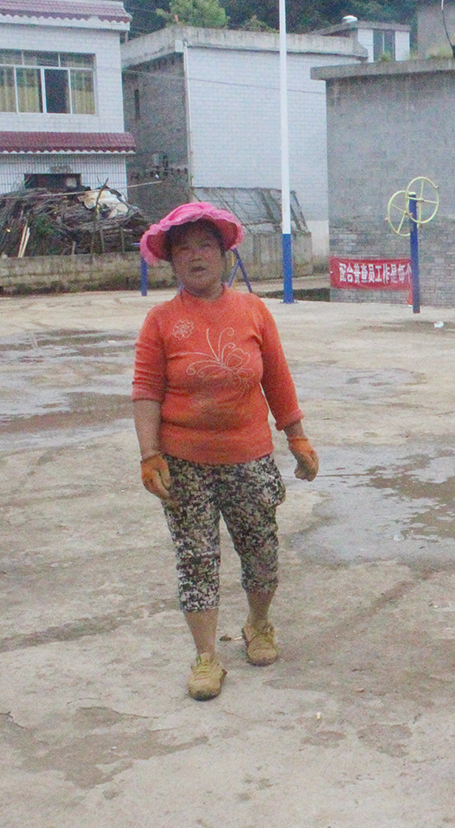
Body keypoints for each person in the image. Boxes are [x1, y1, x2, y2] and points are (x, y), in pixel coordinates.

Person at [132, 202, 320, 701]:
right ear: (172, 261)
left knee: (260, 550)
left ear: (224, 254)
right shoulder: (160, 321)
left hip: (249, 457)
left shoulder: (253, 312)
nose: (196, 256)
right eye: (185, 248)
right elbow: (146, 390)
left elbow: (277, 378)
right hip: (183, 464)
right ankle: (205, 657)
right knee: (196, 559)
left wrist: (296, 436)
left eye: (206, 245)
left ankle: (258, 625)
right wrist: (149, 454)